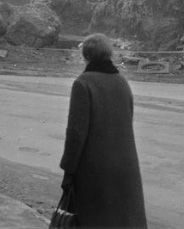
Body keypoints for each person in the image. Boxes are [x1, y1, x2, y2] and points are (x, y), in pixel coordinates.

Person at [60, 33, 147, 228]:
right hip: (125, 168)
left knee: (93, 220)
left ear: (86, 55)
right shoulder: (122, 82)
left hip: (94, 171)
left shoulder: (83, 83)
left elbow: (76, 133)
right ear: (109, 55)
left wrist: (68, 170)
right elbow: (127, 122)